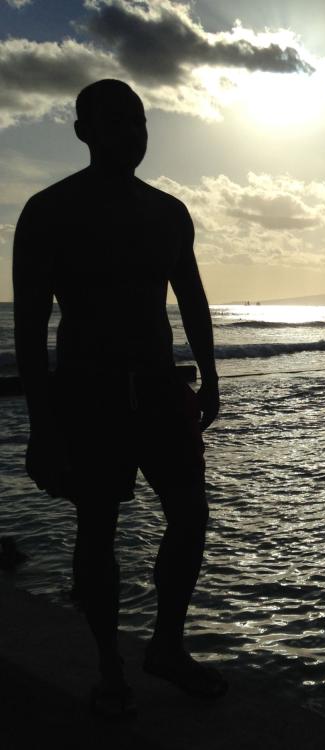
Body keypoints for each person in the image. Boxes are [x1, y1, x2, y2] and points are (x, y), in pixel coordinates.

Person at [13, 80, 226, 718]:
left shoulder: (167, 213)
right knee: (96, 528)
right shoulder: (49, 211)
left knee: (190, 516)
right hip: (89, 391)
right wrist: (43, 425)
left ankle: (165, 645)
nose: (130, 133)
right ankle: (110, 668)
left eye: (138, 121)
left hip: (160, 387)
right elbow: (29, 328)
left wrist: (211, 375)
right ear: (83, 132)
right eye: (114, 122)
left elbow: (190, 296)